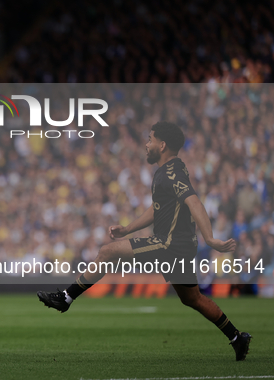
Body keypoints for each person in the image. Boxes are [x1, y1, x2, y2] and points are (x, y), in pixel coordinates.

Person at [37, 122, 252, 361]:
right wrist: (128, 228)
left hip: (169, 244)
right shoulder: (169, 170)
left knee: (107, 252)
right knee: (193, 298)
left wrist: (211, 239)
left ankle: (65, 298)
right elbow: (157, 209)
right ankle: (237, 337)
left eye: (150, 139)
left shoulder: (173, 173)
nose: (146, 144)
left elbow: (194, 202)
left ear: (162, 145)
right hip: (179, 246)